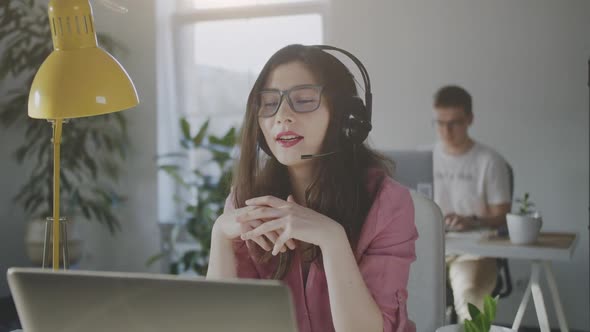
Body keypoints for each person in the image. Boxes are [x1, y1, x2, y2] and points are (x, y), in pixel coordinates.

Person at [206, 44, 418, 332]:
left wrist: (332, 239)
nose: (281, 116)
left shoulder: (387, 203)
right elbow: (221, 326)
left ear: (347, 118)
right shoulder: (246, 201)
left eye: (304, 100)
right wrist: (220, 234)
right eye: (269, 104)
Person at [431, 85, 511, 322]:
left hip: (473, 252)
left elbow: (503, 216)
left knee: (468, 296)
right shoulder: (425, 158)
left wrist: (473, 221)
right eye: (439, 122)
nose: (446, 130)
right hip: (430, 249)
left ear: (469, 119)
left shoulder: (489, 161)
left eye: (454, 122)